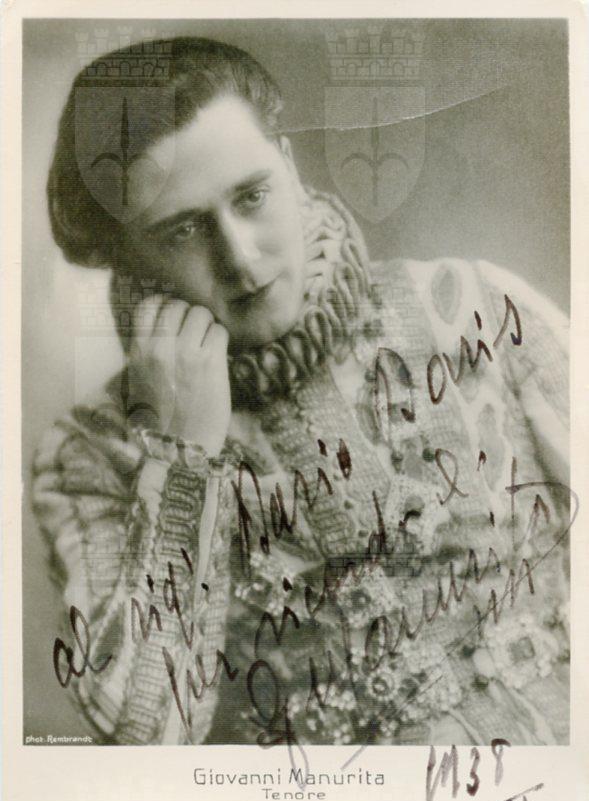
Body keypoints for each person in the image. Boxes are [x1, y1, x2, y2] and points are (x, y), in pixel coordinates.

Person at [33, 36, 571, 747]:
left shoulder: (474, 307)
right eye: (183, 231)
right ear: (128, 265)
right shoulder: (93, 455)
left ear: (288, 167)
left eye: (252, 196)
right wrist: (182, 459)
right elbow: (145, 738)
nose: (240, 257)